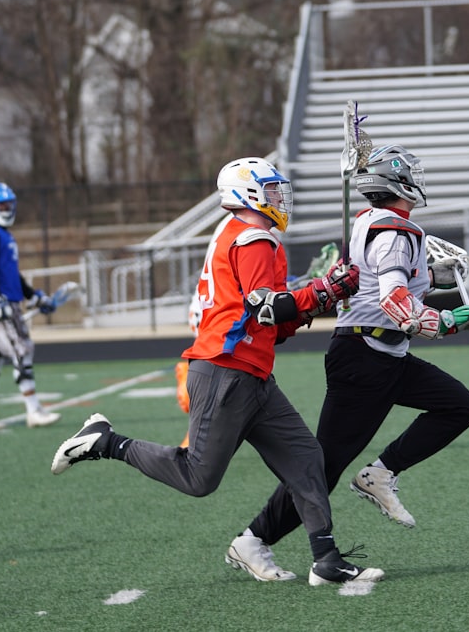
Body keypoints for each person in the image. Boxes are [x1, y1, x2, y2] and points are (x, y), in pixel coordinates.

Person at [50, 157, 384, 587]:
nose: (281, 197)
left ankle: (326, 558)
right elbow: (265, 307)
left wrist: (320, 300)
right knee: (198, 477)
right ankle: (106, 442)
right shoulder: (252, 239)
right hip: (225, 371)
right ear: (250, 193)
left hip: (253, 374)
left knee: (306, 459)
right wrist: (320, 290)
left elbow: (276, 326)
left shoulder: (248, 237)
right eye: (273, 189)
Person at [224, 144, 469, 582]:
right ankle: (254, 539)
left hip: (382, 352)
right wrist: (447, 322)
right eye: (413, 173)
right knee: (321, 468)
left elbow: (381, 282)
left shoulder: (370, 222)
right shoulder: (396, 230)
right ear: (398, 183)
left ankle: (380, 474)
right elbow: (393, 299)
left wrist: (431, 277)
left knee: (459, 406)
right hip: (366, 358)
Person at [0, 182, 61, 430]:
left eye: (8, 203)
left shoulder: (2, 233)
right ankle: (34, 410)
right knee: (22, 348)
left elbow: (12, 275)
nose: (5, 207)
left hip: (7, 300)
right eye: (1, 204)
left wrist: (33, 296)